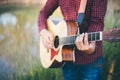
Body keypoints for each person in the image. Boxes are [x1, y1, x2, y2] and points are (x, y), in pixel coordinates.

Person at [38, 0, 108, 80]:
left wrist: (91, 47)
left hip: (91, 61)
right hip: (66, 57)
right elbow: (43, 13)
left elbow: (96, 22)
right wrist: (43, 31)